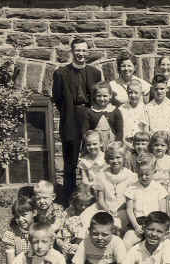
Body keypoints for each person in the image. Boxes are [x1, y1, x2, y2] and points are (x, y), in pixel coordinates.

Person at [52, 37, 102, 204]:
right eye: (77, 50)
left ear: (87, 52)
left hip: (89, 119)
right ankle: (69, 200)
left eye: (83, 50)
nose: (81, 53)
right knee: (71, 164)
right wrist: (70, 112)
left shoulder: (95, 73)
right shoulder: (61, 73)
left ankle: (95, 199)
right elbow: (57, 99)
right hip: (71, 120)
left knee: (94, 159)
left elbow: (99, 97)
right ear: (72, 52)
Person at [123, 154, 168, 248]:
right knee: (126, 241)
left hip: (155, 223)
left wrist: (158, 227)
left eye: (147, 174)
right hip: (138, 223)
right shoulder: (132, 188)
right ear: (136, 172)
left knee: (165, 244)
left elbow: (163, 212)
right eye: (140, 175)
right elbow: (129, 210)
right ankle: (127, 262)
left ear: (154, 172)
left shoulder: (159, 189)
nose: (143, 177)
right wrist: (135, 226)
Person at [94, 141, 138, 231]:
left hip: (123, 209)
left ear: (124, 158)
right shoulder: (101, 175)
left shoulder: (131, 176)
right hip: (105, 208)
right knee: (88, 219)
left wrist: (119, 210)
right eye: (111, 158)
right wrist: (107, 210)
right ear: (107, 159)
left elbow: (131, 200)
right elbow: (100, 199)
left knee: (116, 224)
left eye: (118, 157)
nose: (115, 161)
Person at [80, 81, 124, 151]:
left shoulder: (115, 111)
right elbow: (85, 131)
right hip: (95, 145)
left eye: (105, 96)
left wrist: (117, 144)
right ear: (94, 96)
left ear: (110, 96)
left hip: (112, 144)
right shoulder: (90, 112)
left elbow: (119, 131)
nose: (102, 99)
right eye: (99, 96)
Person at [55, 187, 95, 262]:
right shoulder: (68, 213)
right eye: (80, 204)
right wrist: (62, 244)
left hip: (85, 247)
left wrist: (78, 246)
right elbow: (60, 233)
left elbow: (91, 235)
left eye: (87, 205)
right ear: (75, 202)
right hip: (67, 246)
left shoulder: (92, 215)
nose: (83, 207)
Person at [119, 80, 150, 149]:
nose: (133, 95)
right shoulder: (121, 109)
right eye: (130, 92)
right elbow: (120, 129)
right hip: (125, 143)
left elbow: (146, 129)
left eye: (136, 93)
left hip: (141, 144)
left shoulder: (145, 109)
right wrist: (125, 143)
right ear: (126, 93)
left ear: (141, 93)